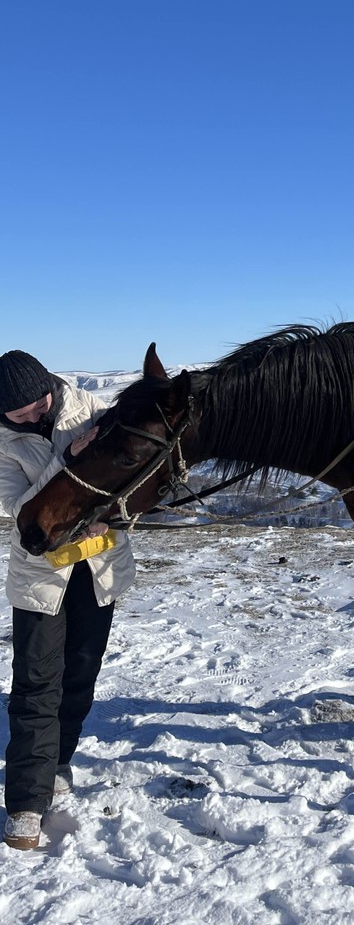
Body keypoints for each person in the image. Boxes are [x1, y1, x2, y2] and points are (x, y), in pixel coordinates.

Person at [0, 350, 135, 850]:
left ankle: (58, 762)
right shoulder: (2, 443)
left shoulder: (94, 412)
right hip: (41, 574)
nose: (37, 416)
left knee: (80, 671)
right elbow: (18, 509)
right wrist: (68, 459)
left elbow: (131, 482)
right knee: (36, 681)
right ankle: (26, 804)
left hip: (97, 569)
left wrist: (115, 516)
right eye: (22, 415)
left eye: (41, 404)